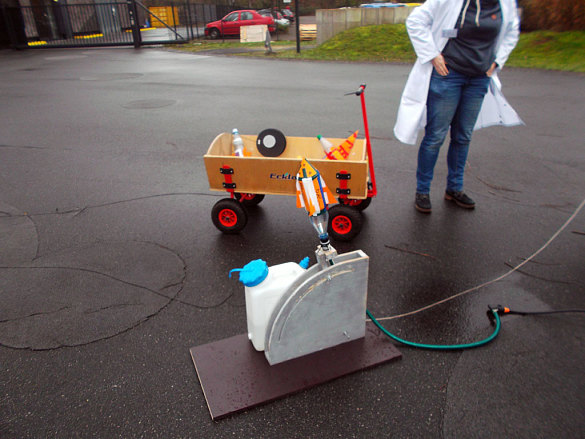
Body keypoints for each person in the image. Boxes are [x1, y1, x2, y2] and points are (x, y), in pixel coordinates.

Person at [394, 0, 523, 213]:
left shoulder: (504, 4)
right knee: (436, 136)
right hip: (448, 75)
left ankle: (455, 188)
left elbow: (512, 32)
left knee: (463, 136)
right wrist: (432, 55)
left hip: (479, 78)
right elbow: (415, 20)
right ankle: (422, 191)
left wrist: (497, 61)